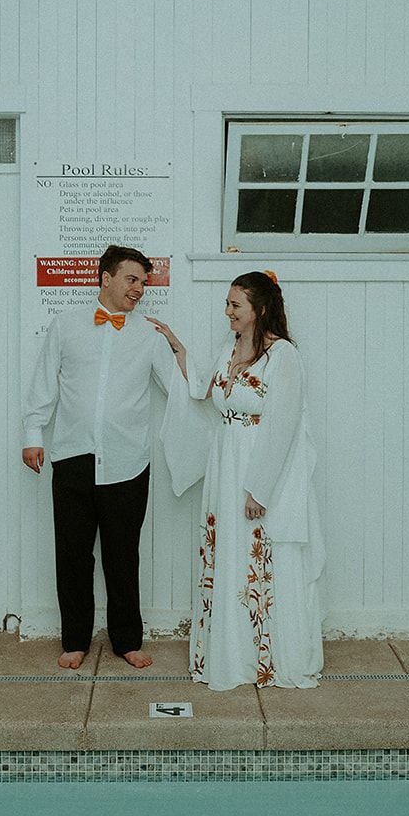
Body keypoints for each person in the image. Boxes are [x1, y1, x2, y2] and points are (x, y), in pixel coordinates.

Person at [153, 271, 324, 690]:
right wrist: (174, 344)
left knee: (256, 556)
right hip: (224, 464)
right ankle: (229, 655)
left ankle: (263, 659)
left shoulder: (282, 356)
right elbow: (201, 388)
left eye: (235, 305)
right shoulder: (229, 348)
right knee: (227, 552)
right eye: (227, 304)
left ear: (259, 310)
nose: (227, 312)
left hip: (257, 468)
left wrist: (259, 489)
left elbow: (282, 426)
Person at [22, 245, 187, 670]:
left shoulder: (148, 335)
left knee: (122, 555)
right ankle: (75, 640)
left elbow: (181, 392)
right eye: (132, 280)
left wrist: (177, 347)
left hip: (128, 462)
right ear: (106, 278)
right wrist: (31, 434)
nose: (139, 290)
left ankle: (126, 641)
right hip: (72, 457)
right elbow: (44, 384)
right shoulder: (66, 325)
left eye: (144, 283)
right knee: (73, 555)